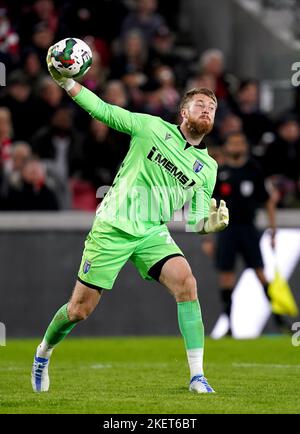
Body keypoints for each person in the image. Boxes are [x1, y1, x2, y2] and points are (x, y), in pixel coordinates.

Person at [31, 46, 229, 394]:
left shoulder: (208, 168)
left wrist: (209, 225)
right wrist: (67, 84)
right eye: (201, 105)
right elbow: (105, 111)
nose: (207, 111)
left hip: (152, 232)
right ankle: (43, 354)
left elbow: (196, 220)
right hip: (114, 226)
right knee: (79, 310)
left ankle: (198, 376)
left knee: (187, 284)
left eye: (212, 108)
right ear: (184, 112)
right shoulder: (150, 127)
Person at [202, 131, 283, 336]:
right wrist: (209, 237)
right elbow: (210, 206)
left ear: (245, 146)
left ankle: (279, 319)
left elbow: (268, 201)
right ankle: (229, 325)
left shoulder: (254, 170)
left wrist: (273, 230)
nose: (237, 146)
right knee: (226, 276)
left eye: (240, 142)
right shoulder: (220, 172)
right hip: (226, 231)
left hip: (248, 229)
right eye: (233, 143)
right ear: (227, 146)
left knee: (260, 273)